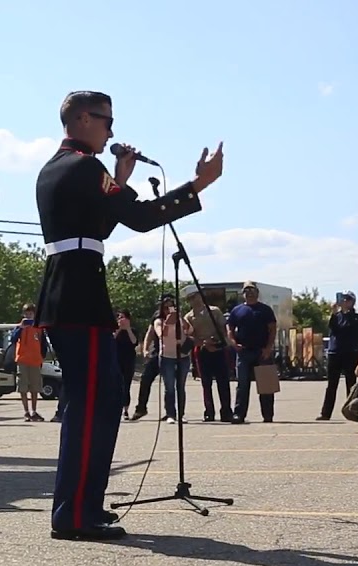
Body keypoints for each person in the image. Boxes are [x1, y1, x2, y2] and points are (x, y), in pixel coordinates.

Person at [34, 90, 222, 541]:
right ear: (82, 119)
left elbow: (98, 227)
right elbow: (140, 218)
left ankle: (82, 506)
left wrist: (120, 176)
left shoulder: (61, 167)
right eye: (105, 121)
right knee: (92, 405)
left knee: (99, 400)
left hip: (73, 291)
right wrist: (198, 186)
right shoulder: (82, 166)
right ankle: (74, 513)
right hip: (78, 297)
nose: (112, 131)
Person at [226, 281, 278, 423]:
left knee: (266, 385)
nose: (249, 293)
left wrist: (268, 348)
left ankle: (268, 415)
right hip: (244, 352)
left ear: (257, 292)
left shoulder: (265, 310)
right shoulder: (237, 311)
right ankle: (239, 415)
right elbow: (229, 329)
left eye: (252, 290)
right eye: (246, 290)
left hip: (262, 352)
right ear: (243, 294)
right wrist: (234, 343)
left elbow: (273, 329)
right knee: (242, 385)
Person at [184, 290, 232, 422]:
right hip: (202, 350)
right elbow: (189, 335)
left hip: (218, 348)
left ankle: (226, 411)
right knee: (206, 383)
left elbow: (223, 327)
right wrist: (203, 342)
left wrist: (219, 341)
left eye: (196, 296)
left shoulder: (214, 311)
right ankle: (209, 411)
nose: (194, 300)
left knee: (223, 382)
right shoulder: (188, 317)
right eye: (191, 298)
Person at [318, 291, 358, 420]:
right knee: (332, 384)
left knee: (351, 383)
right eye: (343, 299)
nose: (344, 302)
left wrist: (348, 313)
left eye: (348, 299)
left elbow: (350, 328)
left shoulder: (357, 317)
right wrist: (333, 312)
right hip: (335, 352)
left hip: (350, 352)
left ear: (352, 301)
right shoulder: (336, 317)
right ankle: (326, 413)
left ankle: (352, 411)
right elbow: (332, 328)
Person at [9, 303, 48, 422]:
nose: (28, 316)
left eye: (30, 313)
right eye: (26, 313)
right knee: (23, 387)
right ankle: (26, 411)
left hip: (35, 360)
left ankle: (34, 411)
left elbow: (43, 344)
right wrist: (20, 328)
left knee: (35, 387)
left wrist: (42, 357)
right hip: (22, 360)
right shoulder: (19, 327)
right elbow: (13, 339)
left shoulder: (39, 328)